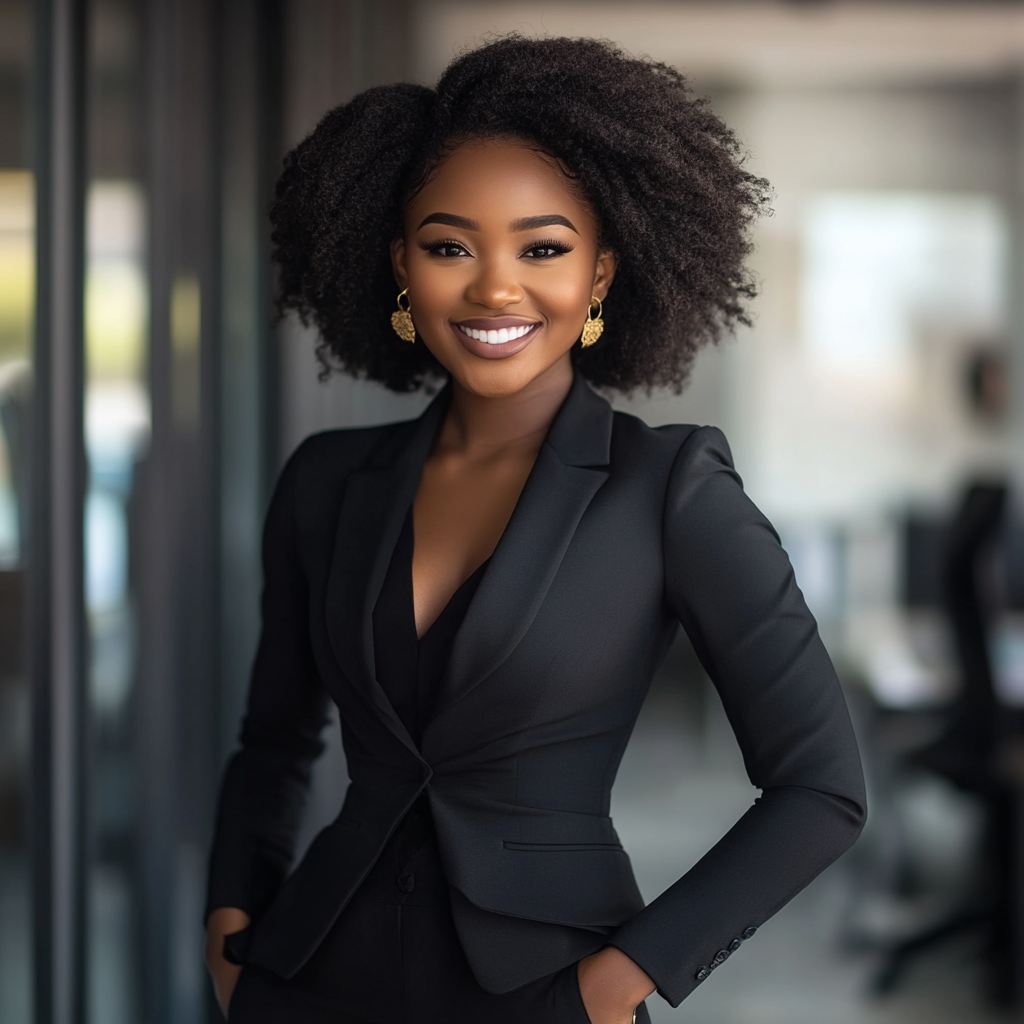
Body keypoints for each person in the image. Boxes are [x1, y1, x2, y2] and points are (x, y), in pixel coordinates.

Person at [204, 35, 866, 1024]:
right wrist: (229, 927)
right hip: (311, 973)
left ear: (600, 272)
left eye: (542, 248)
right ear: (400, 266)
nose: (494, 288)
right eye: (449, 246)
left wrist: (620, 980)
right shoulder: (328, 482)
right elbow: (275, 738)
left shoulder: (669, 487)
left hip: (546, 989)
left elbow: (820, 788)